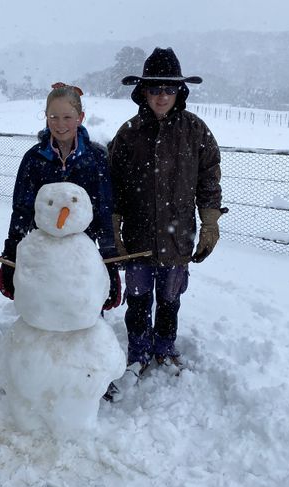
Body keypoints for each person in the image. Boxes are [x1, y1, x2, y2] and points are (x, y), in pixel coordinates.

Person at [108, 47, 226, 381]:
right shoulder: (129, 133)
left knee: (171, 298)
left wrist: (210, 222)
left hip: (178, 237)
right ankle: (139, 352)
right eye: (155, 88)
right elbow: (114, 184)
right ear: (143, 91)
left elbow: (209, 177)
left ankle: (164, 347)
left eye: (169, 89)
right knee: (139, 299)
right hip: (138, 238)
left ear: (180, 91)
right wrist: (114, 229)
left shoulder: (195, 131)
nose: (162, 96)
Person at [0, 82, 121, 310]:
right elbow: (22, 209)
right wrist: (11, 254)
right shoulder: (34, 159)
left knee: (83, 310)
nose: (60, 124)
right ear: (45, 117)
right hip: (41, 253)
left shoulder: (95, 159)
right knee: (43, 310)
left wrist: (108, 262)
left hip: (81, 252)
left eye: (67, 117)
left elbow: (103, 211)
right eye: (54, 116)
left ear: (80, 117)